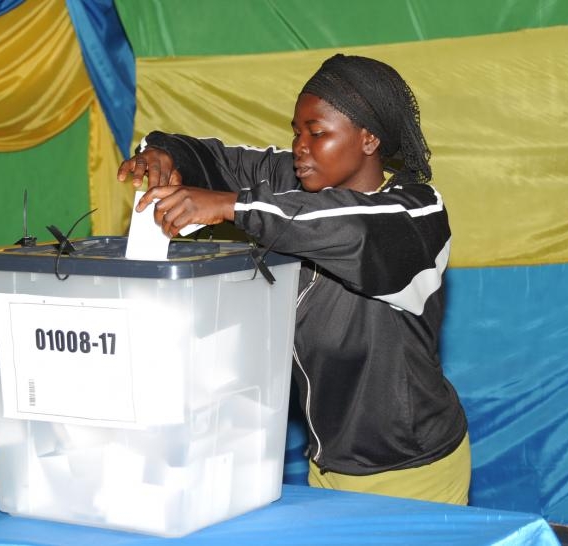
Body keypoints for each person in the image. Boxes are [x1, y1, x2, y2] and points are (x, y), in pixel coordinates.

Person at [117, 53, 471, 505]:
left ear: (368, 139)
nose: (300, 146)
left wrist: (233, 206)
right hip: (328, 464)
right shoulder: (298, 184)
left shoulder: (415, 213)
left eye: (317, 133)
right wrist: (165, 156)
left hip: (411, 469)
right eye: (296, 132)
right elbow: (217, 159)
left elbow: (349, 227)